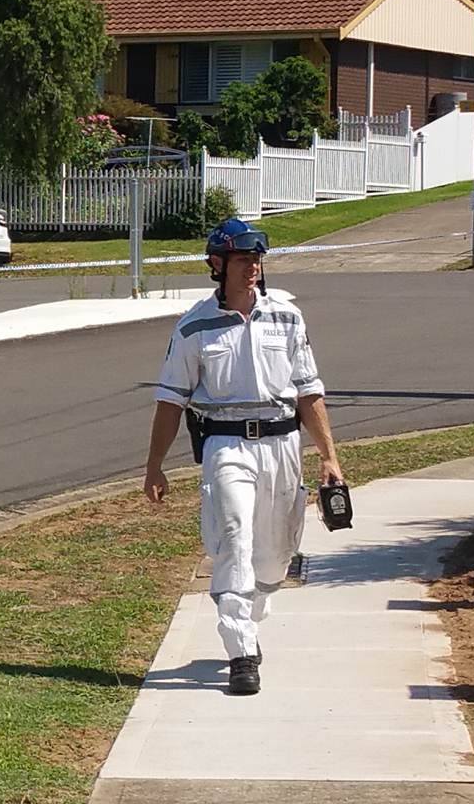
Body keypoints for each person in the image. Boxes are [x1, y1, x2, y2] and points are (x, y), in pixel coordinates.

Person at [143, 217, 344, 696]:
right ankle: (240, 649)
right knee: (234, 534)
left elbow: (309, 393)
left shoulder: (288, 318)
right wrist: (154, 466)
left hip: (282, 445)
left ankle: (255, 603)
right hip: (225, 445)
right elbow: (170, 400)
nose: (251, 268)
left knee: (275, 555)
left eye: (256, 259)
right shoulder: (194, 326)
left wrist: (329, 458)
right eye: (241, 260)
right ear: (218, 265)